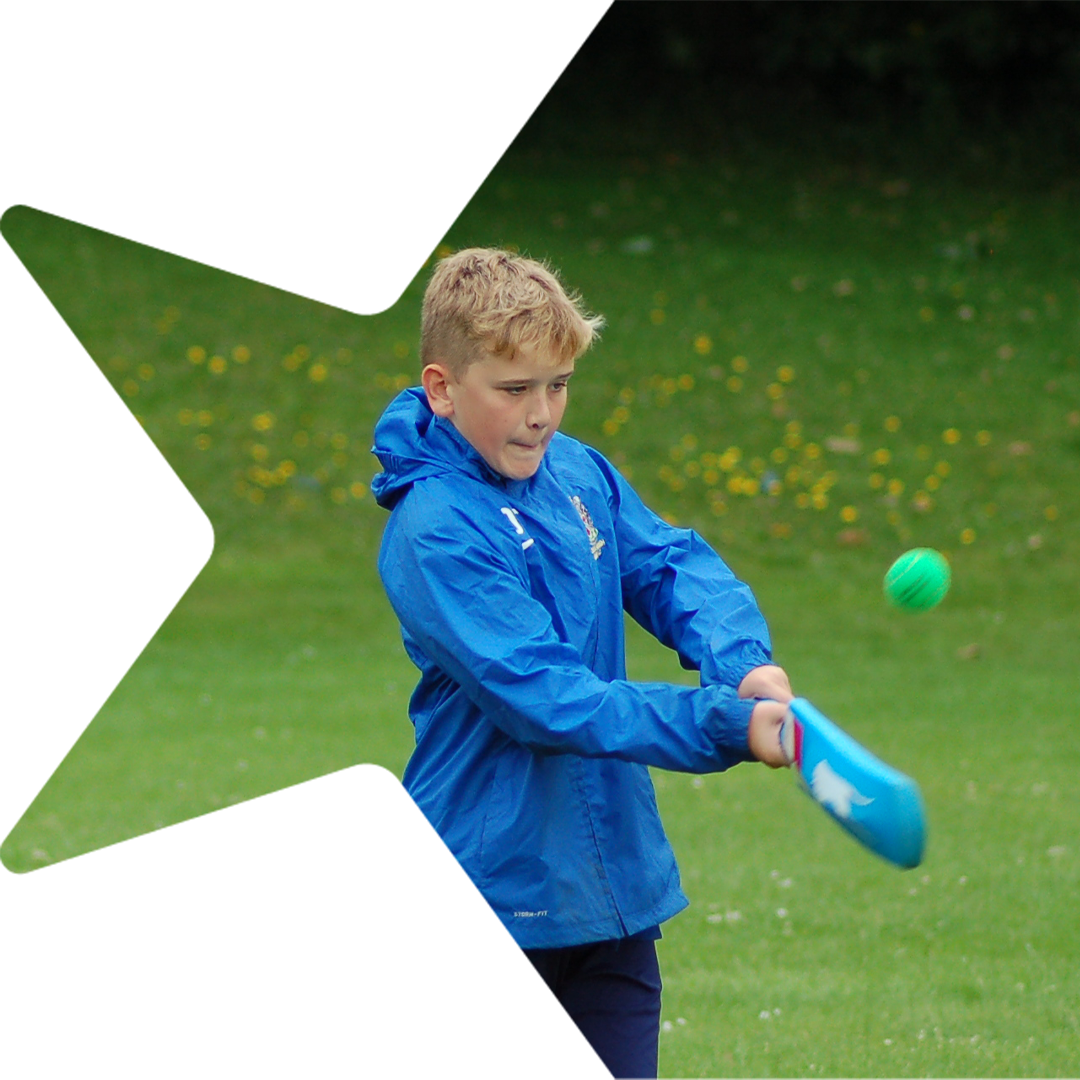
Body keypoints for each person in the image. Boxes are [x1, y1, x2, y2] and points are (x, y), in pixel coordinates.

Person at [370, 247, 793, 1080]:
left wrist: (743, 664)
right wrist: (724, 724)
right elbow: (548, 697)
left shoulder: (575, 473)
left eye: (557, 385)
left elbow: (671, 565)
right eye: (515, 388)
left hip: (610, 900)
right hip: (483, 918)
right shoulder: (437, 530)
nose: (542, 415)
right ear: (443, 387)